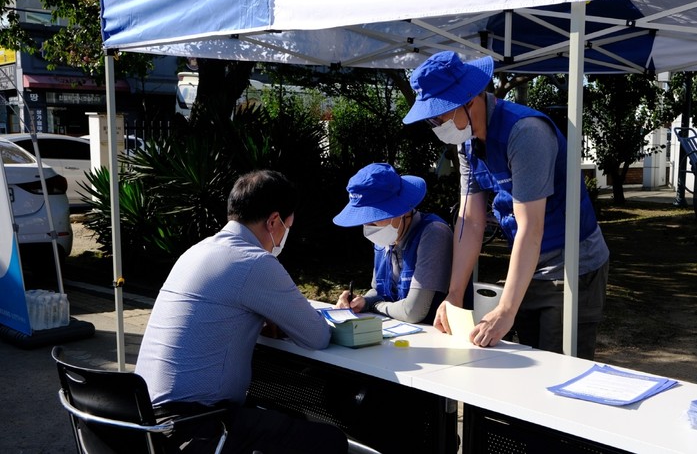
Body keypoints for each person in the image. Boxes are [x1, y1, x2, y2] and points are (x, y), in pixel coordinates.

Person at [402, 51, 609, 360]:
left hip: (574, 266)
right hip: (530, 263)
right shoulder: (467, 144)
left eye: (438, 116)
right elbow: (470, 220)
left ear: (469, 100)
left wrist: (506, 309)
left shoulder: (526, 133)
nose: (435, 125)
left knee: (558, 365)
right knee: (526, 360)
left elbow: (531, 227)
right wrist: (454, 295)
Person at [135, 169, 348, 454]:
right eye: (288, 226)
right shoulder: (254, 261)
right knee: (330, 440)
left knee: (276, 419)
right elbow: (317, 336)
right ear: (273, 221)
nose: (286, 235)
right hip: (193, 427)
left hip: (144, 421)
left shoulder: (196, 251)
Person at [333, 162, 458, 324]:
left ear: (401, 210)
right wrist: (361, 301)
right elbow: (379, 292)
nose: (368, 226)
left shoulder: (433, 233)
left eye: (374, 217)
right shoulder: (386, 236)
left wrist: (374, 305)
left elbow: (413, 311)